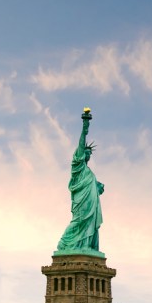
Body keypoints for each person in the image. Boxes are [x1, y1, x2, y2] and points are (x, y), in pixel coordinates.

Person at [55, 109, 105, 256]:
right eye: (86, 152)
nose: (87, 155)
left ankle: (86, 245)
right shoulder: (78, 165)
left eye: (89, 154)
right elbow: (81, 144)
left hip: (91, 202)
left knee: (89, 223)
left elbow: (92, 186)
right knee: (79, 220)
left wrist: (98, 187)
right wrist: (85, 125)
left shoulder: (89, 172)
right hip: (81, 201)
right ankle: (64, 243)